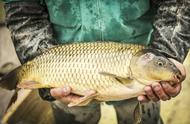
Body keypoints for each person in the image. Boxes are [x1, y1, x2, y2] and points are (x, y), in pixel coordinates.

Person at [2, 0, 190, 124]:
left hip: (142, 56)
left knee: (145, 119)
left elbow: (178, 3)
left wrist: (167, 53)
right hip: (62, 64)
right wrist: (38, 58)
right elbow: (23, 10)